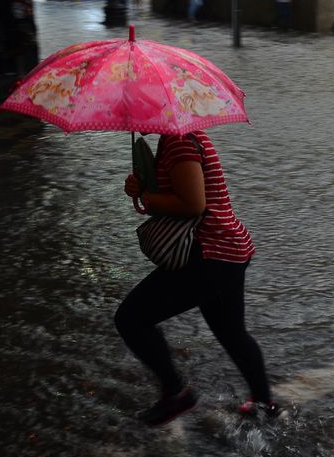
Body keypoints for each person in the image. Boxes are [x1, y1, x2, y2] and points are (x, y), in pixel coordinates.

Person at [117, 130, 277, 425]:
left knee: (130, 319)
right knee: (232, 333)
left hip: (209, 253)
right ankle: (264, 406)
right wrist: (141, 189)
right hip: (226, 250)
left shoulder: (179, 142)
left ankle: (176, 393)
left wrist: (146, 196)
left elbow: (193, 204)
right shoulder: (175, 139)